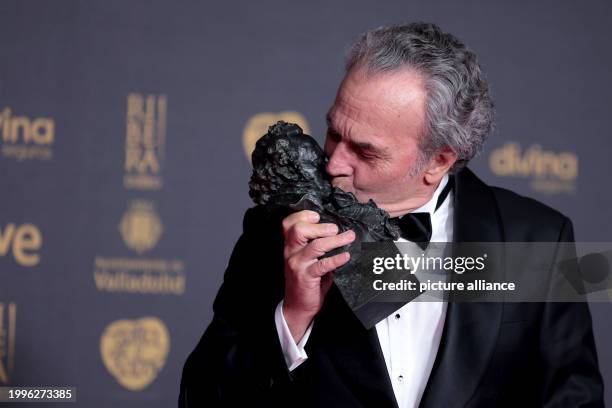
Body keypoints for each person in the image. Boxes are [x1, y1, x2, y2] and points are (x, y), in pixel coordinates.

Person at [179, 22, 603, 407]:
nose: (333, 164)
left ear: (438, 160)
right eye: (333, 133)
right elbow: (201, 399)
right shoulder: (277, 232)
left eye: (364, 150)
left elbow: (572, 399)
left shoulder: (539, 239)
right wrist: (292, 318)